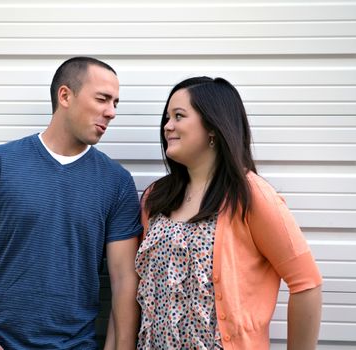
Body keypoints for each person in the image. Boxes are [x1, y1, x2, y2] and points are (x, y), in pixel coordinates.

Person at [0, 57, 142, 350]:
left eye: (116, 103)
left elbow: (124, 279)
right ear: (65, 95)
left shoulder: (116, 182)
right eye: (103, 99)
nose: (111, 112)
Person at [136, 77, 322, 349]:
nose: (168, 126)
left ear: (212, 127)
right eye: (167, 118)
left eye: (179, 116)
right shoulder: (156, 198)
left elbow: (307, 284)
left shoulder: (250, 196)